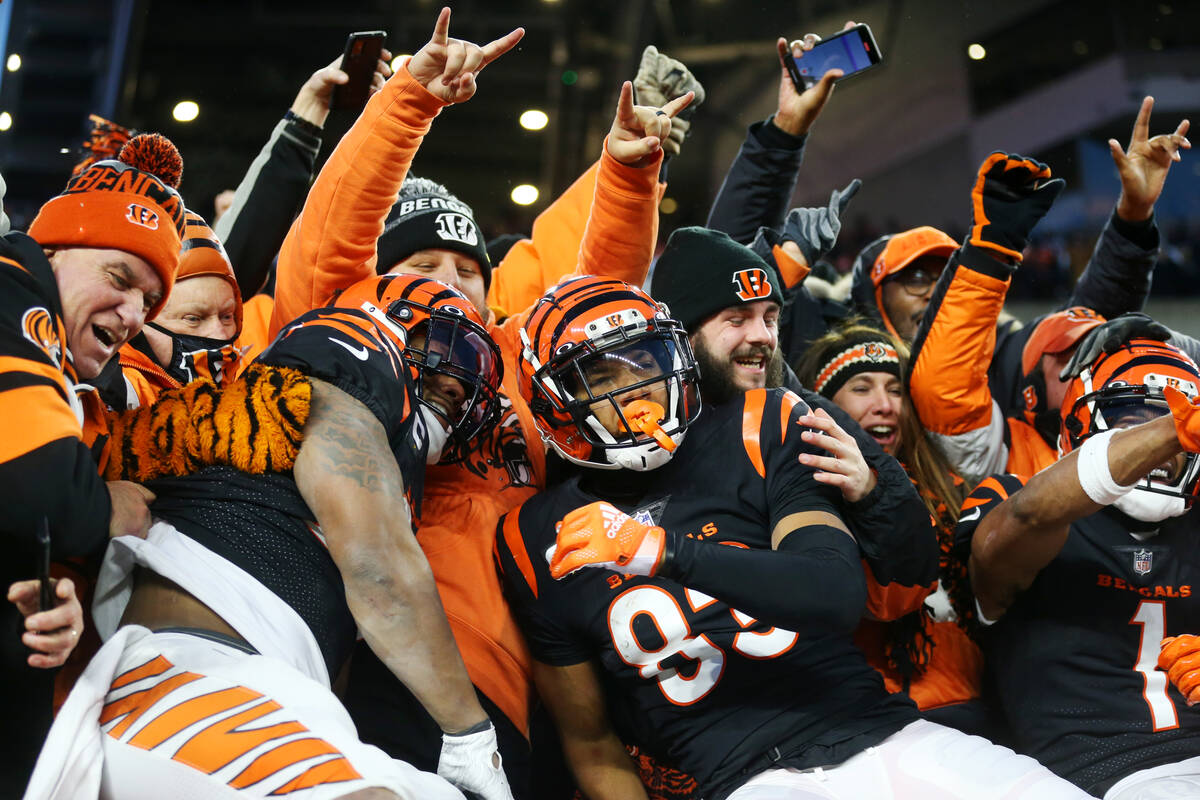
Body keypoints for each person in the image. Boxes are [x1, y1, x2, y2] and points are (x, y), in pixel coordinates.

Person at [267, 9, 688, 796]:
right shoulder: (356, 341)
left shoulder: (508, 367)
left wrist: (628, 180)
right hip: (410, 666)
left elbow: (594, 312)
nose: (450, 283)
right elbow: (330, 241)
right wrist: (404, 105)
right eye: (422, 264)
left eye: (467, 269)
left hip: (566, 672)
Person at [494, 275, 1091, 800]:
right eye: (600, 374)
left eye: (645, 362)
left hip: (878, 731)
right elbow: (593, 744)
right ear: (553, 399)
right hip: (743, 780)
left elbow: (832, 591)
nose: (633, 388)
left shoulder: (758, 424)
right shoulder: (529, 537)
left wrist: (656, 550)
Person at [27, 272, 509, 799]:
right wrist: (470, 734)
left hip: (268, 692)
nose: (456, 383)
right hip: (191, 678)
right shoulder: (345, 362)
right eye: (442, 347)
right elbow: (379, 572)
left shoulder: (373, 455)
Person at [0, 132, 184, 795]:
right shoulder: (11, 286)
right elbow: (46, 496)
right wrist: (109, 506)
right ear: (51, 252)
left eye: (150, 300)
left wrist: (48, 595)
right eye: (118, 278)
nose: (135, 314)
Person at [958, 337, 1200, 797]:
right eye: (1134, 422)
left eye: (1178, 428)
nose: (1162, 449)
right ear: (1079, 426)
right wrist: (1174, 427)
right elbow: (1025, 521)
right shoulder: (1015, 499)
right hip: (1101, 774)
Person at [796, 323, 988, 736]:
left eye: (896, 390)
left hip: (973, 701)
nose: (885, 405)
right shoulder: (804, 498)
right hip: (871, 714)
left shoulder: (951, 487)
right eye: (862, 389)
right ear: (823, 406)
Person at [117, 211, 245, 407]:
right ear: (139, 321)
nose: (219, 335)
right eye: (193, 319)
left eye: (227, 316)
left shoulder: (254, 385)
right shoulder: (111, 397)